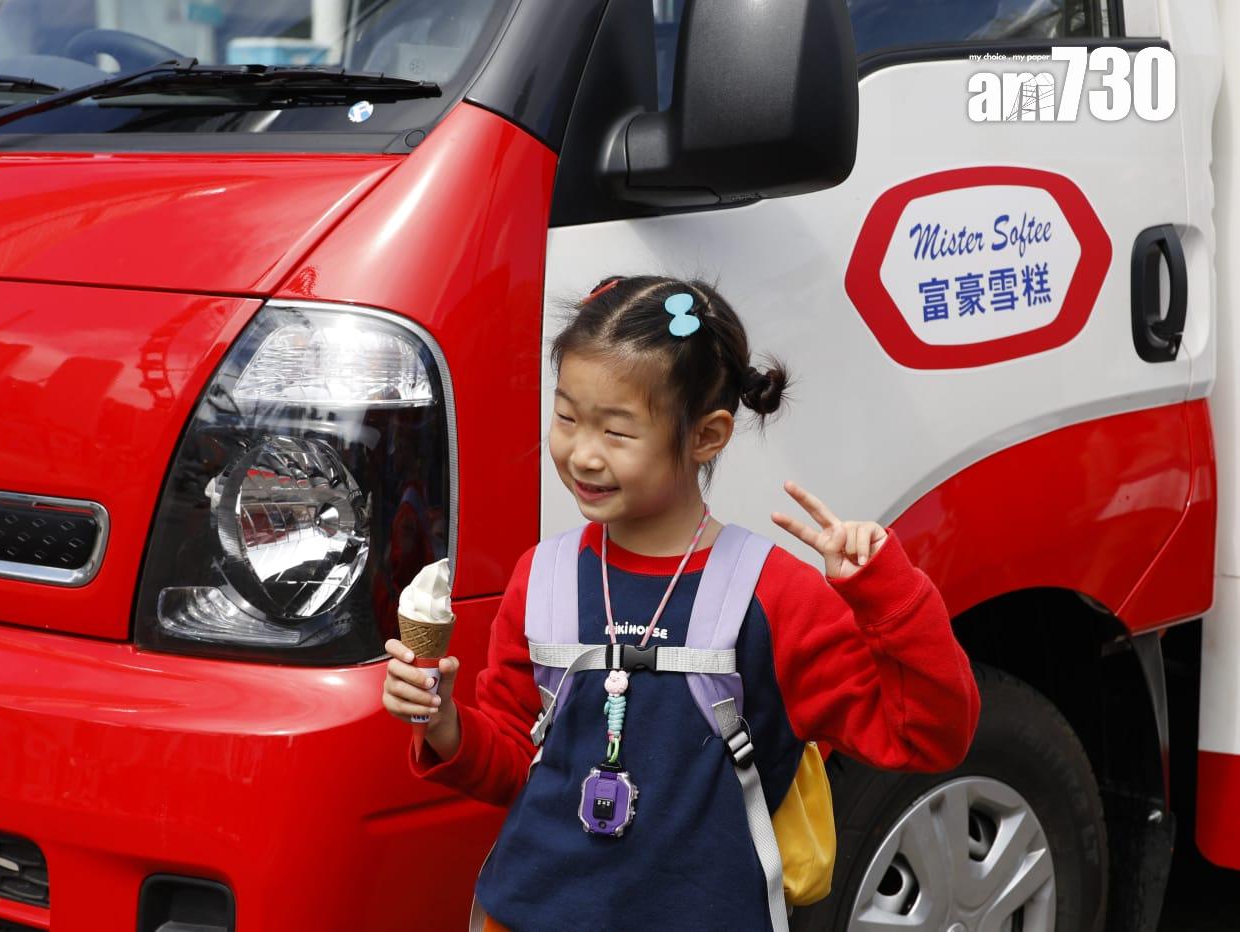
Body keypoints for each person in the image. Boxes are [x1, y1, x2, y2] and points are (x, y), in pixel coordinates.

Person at [380, 275, 981, 931]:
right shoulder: (542, 577)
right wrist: (442, 725)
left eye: (617, 431)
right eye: (567, 416)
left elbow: (927, 735)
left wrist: (886, 592)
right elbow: (515, 767)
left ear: (708, 436)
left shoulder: (776, 595)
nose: (582, 452)